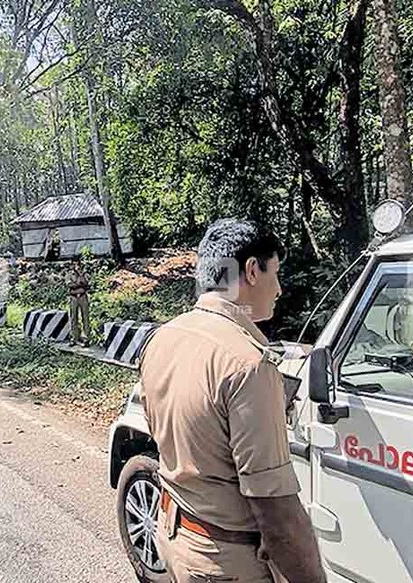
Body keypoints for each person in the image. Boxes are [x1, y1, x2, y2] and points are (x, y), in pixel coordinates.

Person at [139, 219, 325, 583]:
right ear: (252, 270)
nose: (280, 289)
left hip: (176, 538)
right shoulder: (248, 364)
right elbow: (278, 515)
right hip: (227, 564)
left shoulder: (163, 337)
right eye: (276, 273)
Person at [67, 260, 92, 347]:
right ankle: (74, 338)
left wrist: (81, 279)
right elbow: (70, 285)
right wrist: (79, 283)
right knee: (73, 317)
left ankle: (86, 338)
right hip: (73, 297)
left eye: (78, 264)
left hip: (82, 296)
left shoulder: (84, 274)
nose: (77, 266)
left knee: (85, 317)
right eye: (75, 265)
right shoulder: (70, 274)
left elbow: (87, 284)